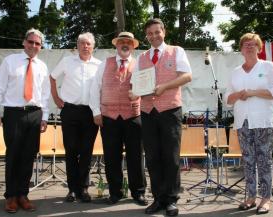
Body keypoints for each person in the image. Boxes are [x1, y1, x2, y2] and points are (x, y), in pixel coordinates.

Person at [131, 18, 192, 216]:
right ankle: (158, 198)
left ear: (163, 32)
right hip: (148, 112)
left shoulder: (177, 51)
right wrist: (135, 92)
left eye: (157, 32)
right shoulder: (141, 57)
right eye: (150, 33)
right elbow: (136, 85)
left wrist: (165, 86)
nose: (154, 36)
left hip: (170, 110)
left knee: (171, 157)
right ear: (146, 36)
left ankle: (172, 200)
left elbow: (187, 76)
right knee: (153, 157)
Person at [0, 28, 50, 213]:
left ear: (41, 47)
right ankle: (11, 197)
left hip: (35, 114)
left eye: (37, 43)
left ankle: (23, 195)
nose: (33, 46)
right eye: (30, 42)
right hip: (13, 114)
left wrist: (45, 117)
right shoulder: (10, 61)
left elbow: (45, 94)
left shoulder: (42, 66)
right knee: (13, 155)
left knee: (28, 156)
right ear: (24, 42)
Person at [223, 33, 273, 214]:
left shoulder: (267, 66)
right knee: (248, 161)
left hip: (263, 120)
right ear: (241, 49)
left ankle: (265, 199)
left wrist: (252, 92)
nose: (249, 47)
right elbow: (227, 98)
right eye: (245, 45)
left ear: (258, 48)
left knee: (264, 160)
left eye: (253, 44)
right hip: (243, 121)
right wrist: (237, 95)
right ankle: (250, 196)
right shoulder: (235, 72)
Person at [89, 32, 147, 206]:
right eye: (121, 41)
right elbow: (95, 88)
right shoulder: (104, 64)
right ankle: (116, 192)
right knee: (112, 156)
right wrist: (95, 111)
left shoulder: (140, 65)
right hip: (109, 117)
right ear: (116, 45)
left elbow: (147, 88)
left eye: (128, 42)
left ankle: (138, 192)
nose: (124, 44)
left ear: (133, 46)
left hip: (133, 116)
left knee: (136, 156)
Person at [50, 32, 100, 203]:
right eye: (82, 43)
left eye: (88, 44)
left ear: (93, 47)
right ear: (77, 45)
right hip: (70, 111)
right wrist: (56, 97)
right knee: (71, 150)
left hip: (90, 112)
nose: (85, 46)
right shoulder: (66, 61)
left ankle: (84, 189)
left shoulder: (99, 65)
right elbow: (52, 77)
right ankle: (71, 189)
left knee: (87, 151)